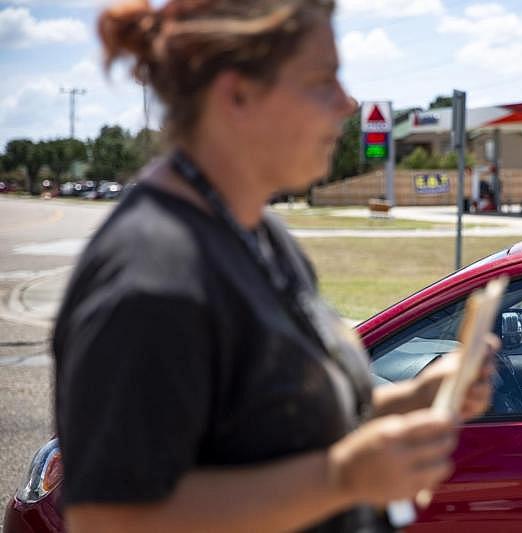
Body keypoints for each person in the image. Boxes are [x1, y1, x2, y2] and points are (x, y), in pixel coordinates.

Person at [53, 1, 499, 532]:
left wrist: (414, 399)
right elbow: (107, 520)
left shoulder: (260, 233)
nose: (347, 102)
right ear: (237, 93)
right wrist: (341, 479)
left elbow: (280, 428)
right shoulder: (151, 277)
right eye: (322, 80)